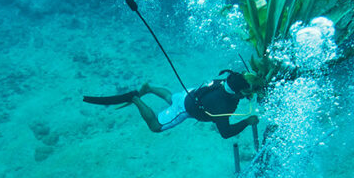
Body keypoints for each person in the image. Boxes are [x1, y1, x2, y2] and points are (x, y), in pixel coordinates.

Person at [83, 70, 259, 139]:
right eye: (247, 92)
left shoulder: (226, 80)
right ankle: (135, 99)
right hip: (187, 109)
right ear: (239, 92)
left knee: (172, 97)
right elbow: (225, 133)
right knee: (156, 126)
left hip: (189, 94)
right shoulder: (223, 107)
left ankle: (149, 88)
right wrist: (247, 121)